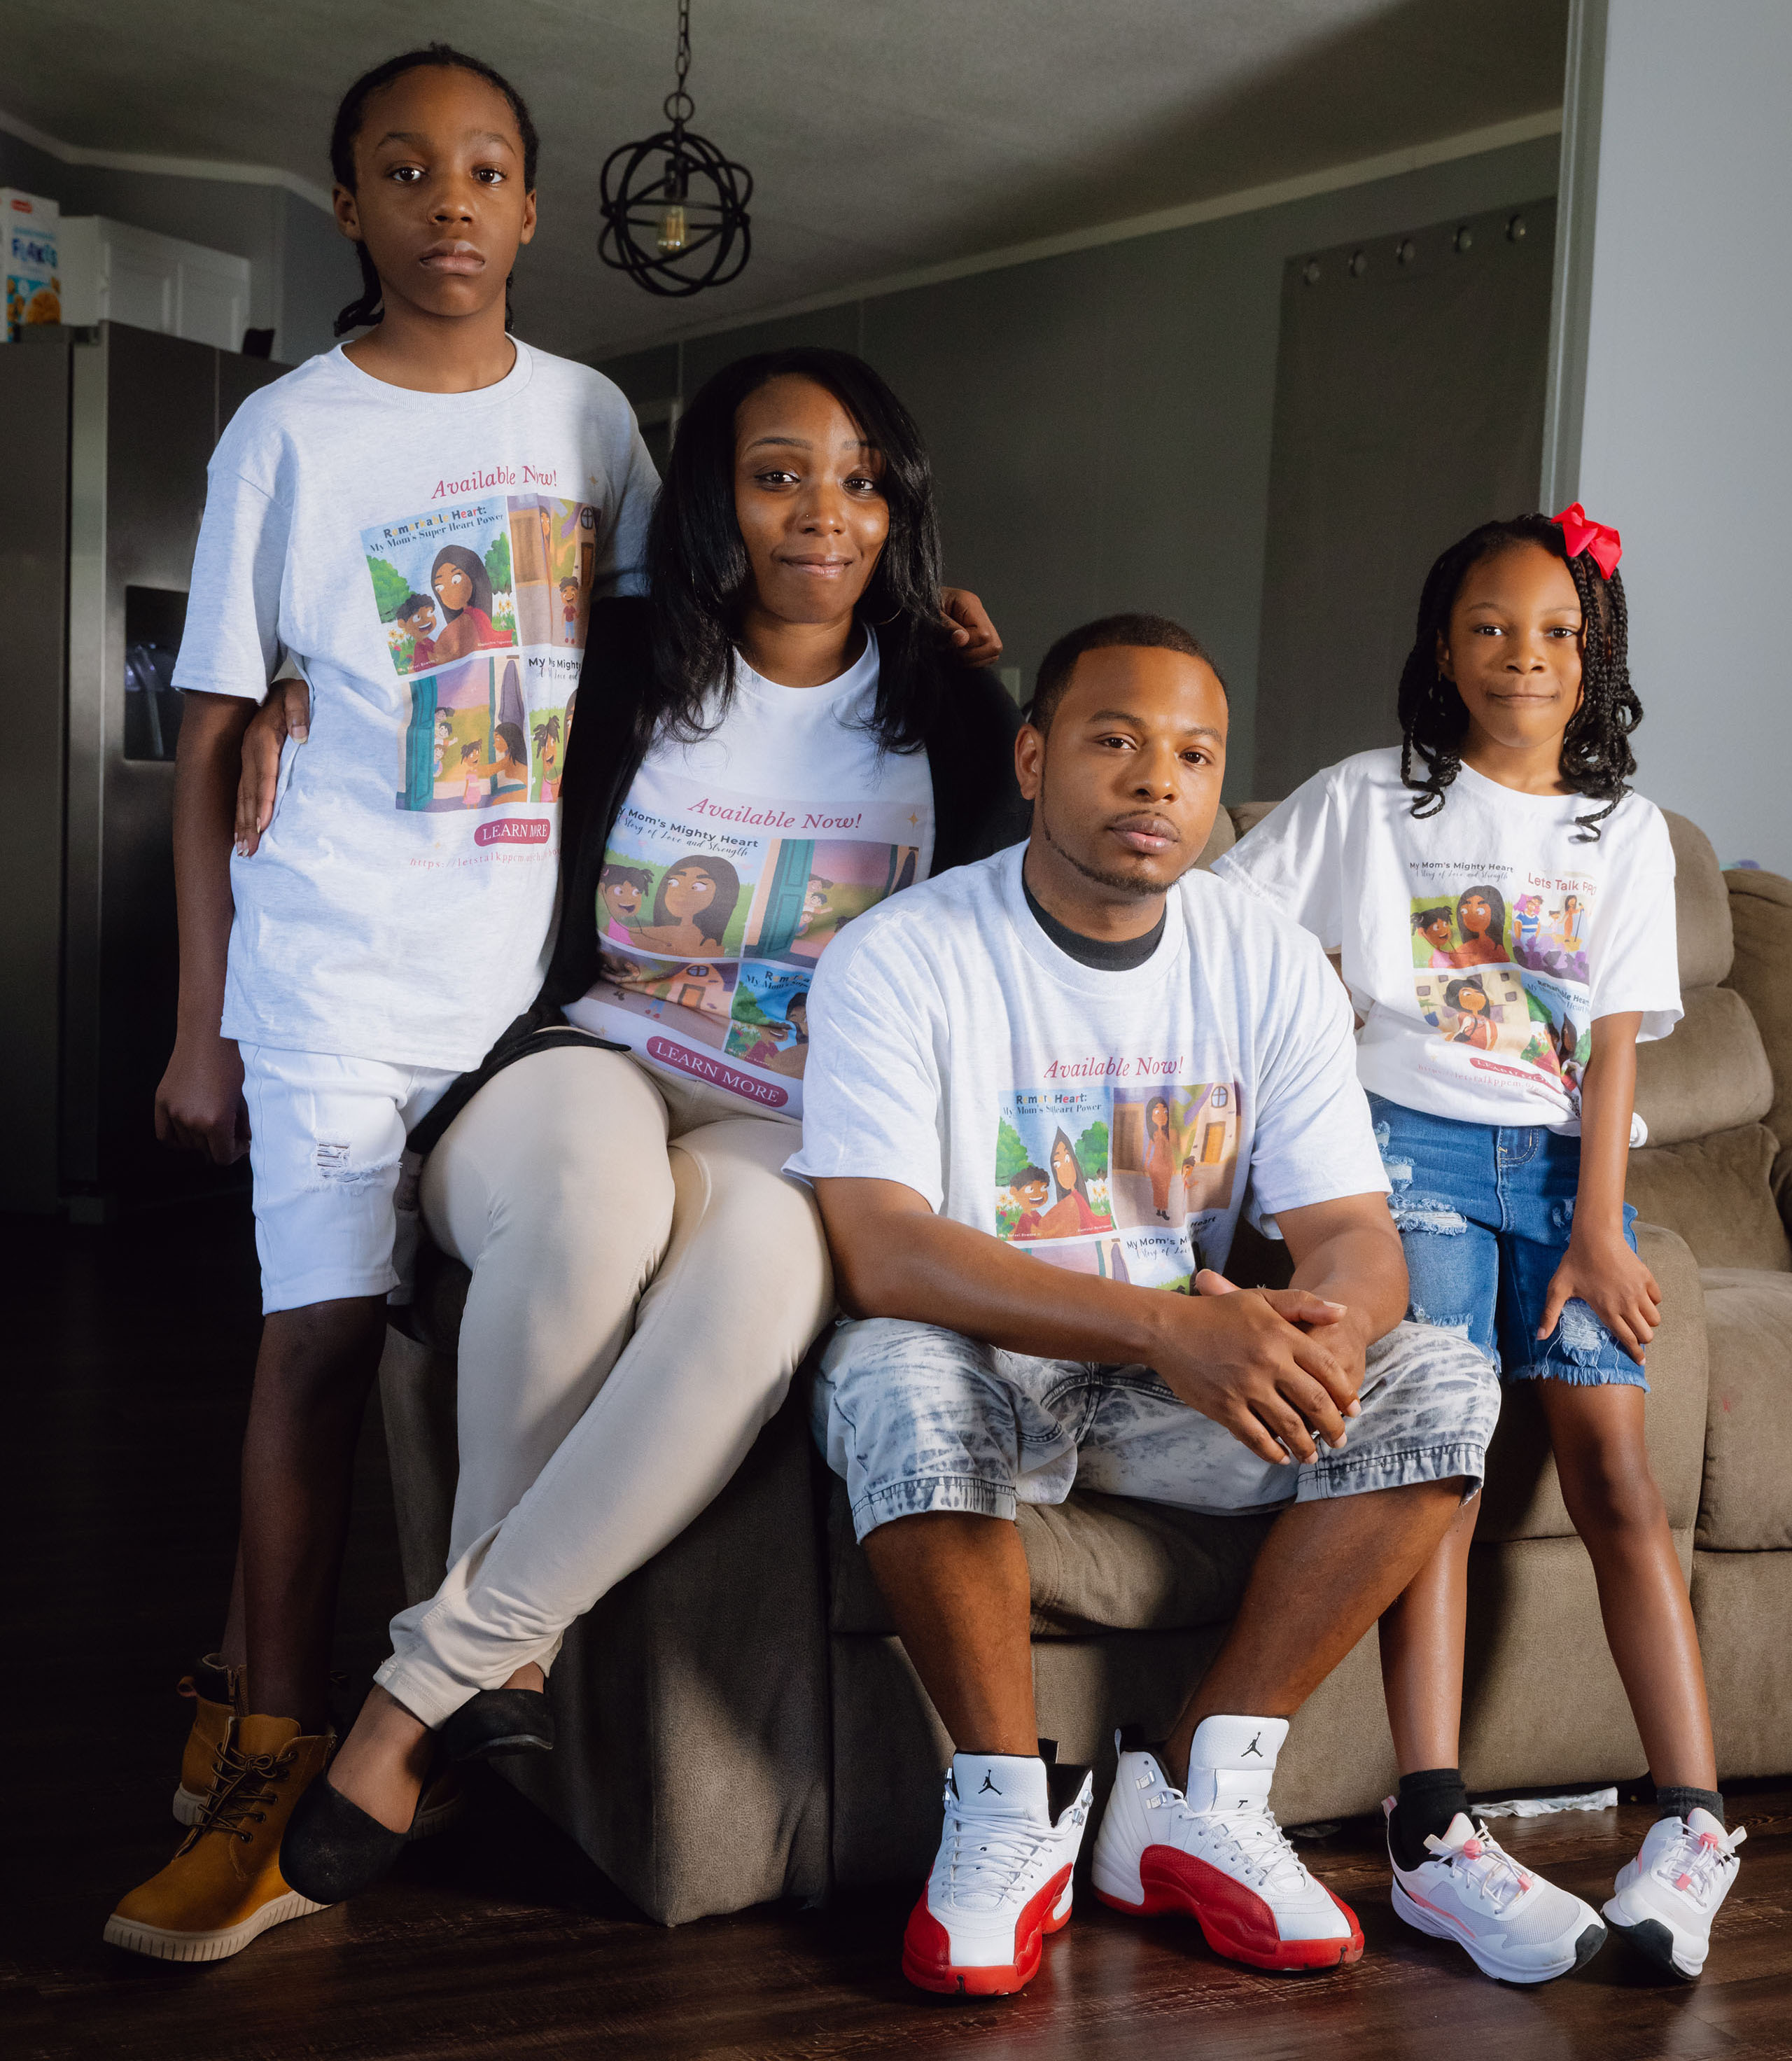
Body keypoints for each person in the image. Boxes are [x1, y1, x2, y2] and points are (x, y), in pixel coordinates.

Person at [269, 346, 1028, 1912]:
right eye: (777, 473)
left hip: (802, 1111)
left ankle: (437, 1682)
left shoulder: (954, 705)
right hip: (590, 1056)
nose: (826, 512)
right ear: (711, 502)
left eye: (862, 477)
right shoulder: (612, 659)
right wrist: (287, 697)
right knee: (595, 1201)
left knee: (761, 1262)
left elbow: (1005, 927)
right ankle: (482, 1673)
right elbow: (419, 704)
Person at [107, 42, 666, 1967]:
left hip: (529, 1002)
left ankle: (410, 1708)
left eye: (488, 167)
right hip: (333, 975)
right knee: (321, 1347)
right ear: (348, 205)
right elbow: (208, 732)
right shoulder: (290, 433)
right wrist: (202, 1022)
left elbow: (673, 661)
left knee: (531, 1307)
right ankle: (269, 1745)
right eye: (405, 170)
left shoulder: (596, 424)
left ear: (529, 206)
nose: (449, 200)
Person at [789, 612, 1502, 1997]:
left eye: (1191, 753)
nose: (1155, 780)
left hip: (1169, 1390)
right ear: (1034, 754)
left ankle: (1201, 1790)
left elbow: (1352, 1232)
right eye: (1113, 741)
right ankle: (1002, 1806)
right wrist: (1168, 1323)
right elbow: (879, 1245)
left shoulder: (1262, 955)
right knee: (886, 1363)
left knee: (1439, 1382)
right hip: (984, 1358)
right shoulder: (903, 952)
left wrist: (1326, 1330)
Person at [1217, 509, 1744, 1985]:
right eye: (1491, 628)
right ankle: (1430, 1821)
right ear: (1441, 652)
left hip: (1566, 1174)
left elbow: (1616, 1043)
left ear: (1595, 658)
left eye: (1557, 632)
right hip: (1408, 1157)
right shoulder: (1363, 801)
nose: (1525, 656)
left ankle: (1691, 1820)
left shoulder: (1623, 830)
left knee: (1614, 1471)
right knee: (1433, 1464)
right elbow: (1230, 933)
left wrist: (1593, 1224)